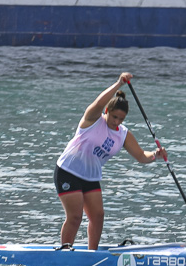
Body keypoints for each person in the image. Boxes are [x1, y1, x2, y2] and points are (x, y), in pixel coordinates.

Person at [55, 72, 166, 250]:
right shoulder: (93, 119)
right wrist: (118, 83)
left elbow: (140, 156)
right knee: (75, 217)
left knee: (98, 216)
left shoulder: (123, 134)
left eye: (121, 119)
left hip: (90, 177)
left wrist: (155, 155)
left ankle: (92, 253)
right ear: (107, 111)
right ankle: (65, 252)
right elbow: (99, 102)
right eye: (114, 117)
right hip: (68, 171)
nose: (117, 122)